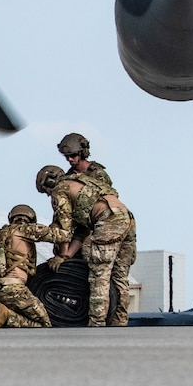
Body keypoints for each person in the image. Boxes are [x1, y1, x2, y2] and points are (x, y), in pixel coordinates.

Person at [48, 132, 137, 327]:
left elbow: (65, 226)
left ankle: (97, 326)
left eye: (73, 155)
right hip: (123, 219)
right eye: (67, 157)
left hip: (105, 225)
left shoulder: (69, 185)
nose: (70, 160)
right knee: (117, 278)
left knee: (100, 277)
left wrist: (62, 255)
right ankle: (118, 323)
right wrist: (67, 256)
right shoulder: (73, 179)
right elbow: (81, 226)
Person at [0, 204, 68, 328]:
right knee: (44, 323)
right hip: (14, 289)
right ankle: (7, 317)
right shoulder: (24, 229)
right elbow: (61, 236)